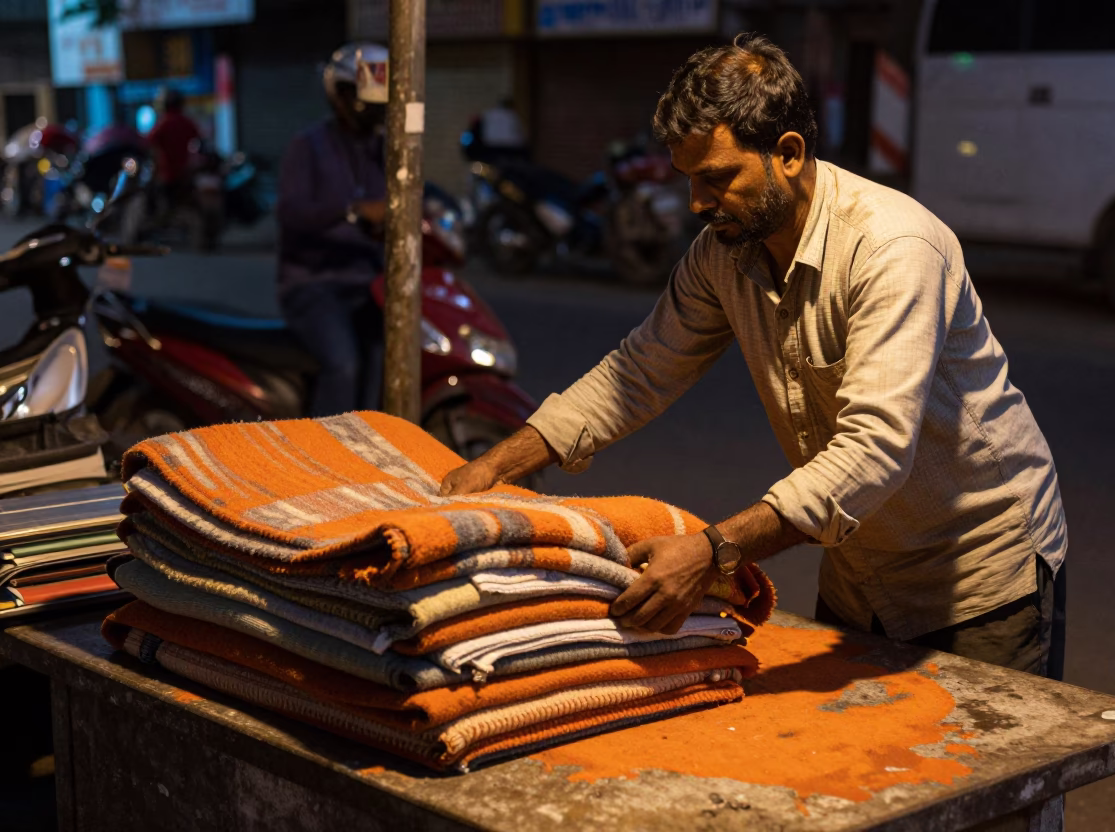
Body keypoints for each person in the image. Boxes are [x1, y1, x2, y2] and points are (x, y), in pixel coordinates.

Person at [442, 33, 1068, 680]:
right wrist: (494, 466)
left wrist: (713, 554)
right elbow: (637, 372)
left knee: (991, 772)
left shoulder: (894, 248)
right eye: (689, 181)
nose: (697, 204)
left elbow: (874, 449)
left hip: (981, 578)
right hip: (862, 570)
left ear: (789, 154)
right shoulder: (723, 251)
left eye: (716, 179)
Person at [275, 43, 389, 417]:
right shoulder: (307, 146)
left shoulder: (385, 150)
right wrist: (351, 211)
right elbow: (291, 214)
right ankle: (327, 456)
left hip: (367, 282)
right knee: (344, 366)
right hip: (313, 284)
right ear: (340, 96)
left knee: (387, 364)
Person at [146, 88, 202, 194]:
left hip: (168, 176)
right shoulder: (187, 123)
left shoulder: (163, 124)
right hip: (186, 175)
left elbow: (148, 142)